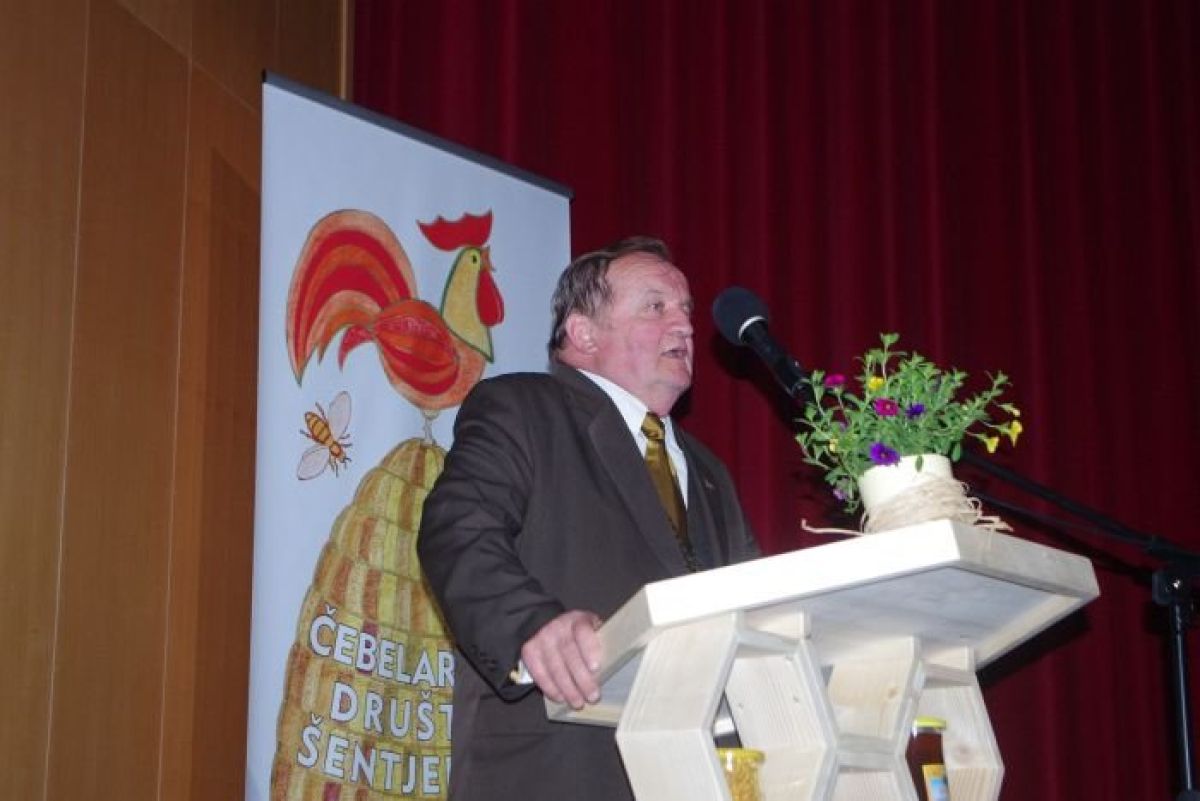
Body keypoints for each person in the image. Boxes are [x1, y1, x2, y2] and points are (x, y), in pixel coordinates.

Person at [417, 236, 760, 801]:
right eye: (655, 307)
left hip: (694, 775)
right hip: (558, 770)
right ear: (583, 333)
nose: (684, 326)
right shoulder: (523, 408)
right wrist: (529, 624)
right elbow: (457, 528)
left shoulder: (709, 471)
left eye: (685, 310)